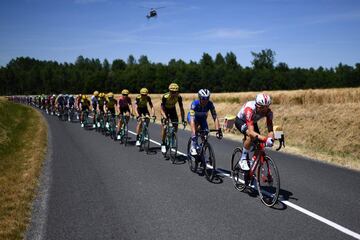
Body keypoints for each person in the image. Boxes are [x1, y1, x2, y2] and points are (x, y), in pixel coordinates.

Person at [234, 93, 274, 171]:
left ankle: (252, 166)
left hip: (252, 122)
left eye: (266, 107)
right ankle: (243, 159)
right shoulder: (250, 109)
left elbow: (270, 129)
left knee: (260, 144)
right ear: (257, 105)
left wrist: (271, 138)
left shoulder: (269, 112)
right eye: (262, 108)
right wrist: (266, 139)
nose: (264, 110)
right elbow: (251, 132)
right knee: (250, 136)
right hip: (241, 121)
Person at [188, 89, 222, 155]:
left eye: (207, 98)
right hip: (193, 117)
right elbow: (192, 120)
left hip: (202, 118)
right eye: (203, 98)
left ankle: (202, 152)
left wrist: (218, 130)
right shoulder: (194, 104)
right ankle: (193, 145)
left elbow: (215, 117)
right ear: (199, 98)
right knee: (195, 128)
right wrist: (193, 133)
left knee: (205, 134)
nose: (205, 100)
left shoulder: (210, 104)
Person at [160, 83, 186, 154]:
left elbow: (181, 108)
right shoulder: (165, 97)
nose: (174, 93)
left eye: (175, 92)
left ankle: (171, 136)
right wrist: (165, 117)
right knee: (164, 127)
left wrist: (183, 119)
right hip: (165, 110)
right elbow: (161, 109)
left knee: (175, 125)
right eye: (172, 92)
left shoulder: (179, 97)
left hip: (172, 110)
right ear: (169, 91)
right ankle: (163, 143)